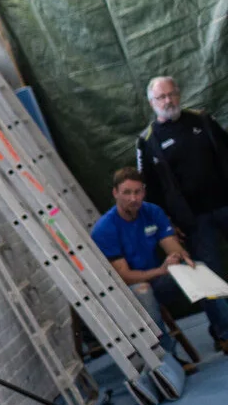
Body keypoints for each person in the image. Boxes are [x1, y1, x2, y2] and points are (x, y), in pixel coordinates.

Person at [90, 168, 228, 359]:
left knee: (195, 269)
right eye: (127, 193)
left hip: (158, 279)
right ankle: (165, 357)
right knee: (143, 290)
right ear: (115, 193)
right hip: (129, 290)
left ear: (144, 192)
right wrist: (161, 270)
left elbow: (173, 246)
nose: (133, 198)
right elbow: (124, 276)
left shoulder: (152, 211)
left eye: (137, 192)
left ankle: (224, 333)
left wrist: (179, 257)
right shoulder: (104, 228)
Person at [136, 77, 228, 353]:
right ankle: (223, 333)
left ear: (179, 94)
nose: (168, 101)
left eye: (171, 94)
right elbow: (148, 192)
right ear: (152, 104)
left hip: (225, 204)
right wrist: (168, 225)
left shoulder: (202, 120)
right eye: (161, 97)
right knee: (208, 276)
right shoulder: (147, 141)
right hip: (194, 222)